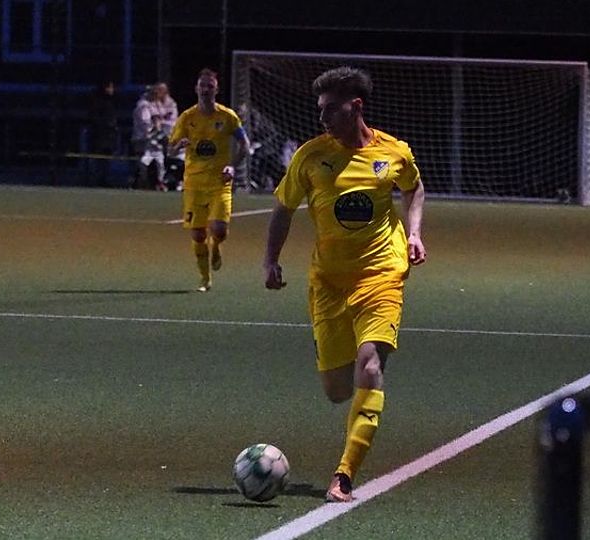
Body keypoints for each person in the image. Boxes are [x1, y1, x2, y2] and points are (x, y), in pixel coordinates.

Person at [263, 66, 427, 503]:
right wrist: (270, 259)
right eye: (320, 110)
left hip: (382, 274)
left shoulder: (394, 152)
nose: (322, 118)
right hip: (329, 283)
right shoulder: (310, 157)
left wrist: (413, 233)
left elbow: (414, 189)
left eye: (331, 109)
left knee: (370, 367)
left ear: (356, 107)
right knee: (337, 390)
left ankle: (344, 475)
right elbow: (283, 209)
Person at [168, 68, 250, 291]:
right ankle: (205, 279)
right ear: (196, 88)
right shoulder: (187, 118)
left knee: (219, 230)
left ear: (217, 90)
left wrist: (232, 166)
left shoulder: (227, 117)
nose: (205, 90)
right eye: (202, 86)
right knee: (198, 234)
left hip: (219, 183)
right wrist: (178, 145)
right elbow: (170, 149)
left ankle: (217, 247)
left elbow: (245, 144)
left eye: (210, 86)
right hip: (194, 184)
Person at [88, 80, 119, 187]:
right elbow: (94, 117)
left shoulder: (111, 101)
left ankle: (104, 178)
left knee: (107, 158)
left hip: (109, 134)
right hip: (100, 135)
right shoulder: (98, 102)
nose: (112, 90)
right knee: (99, 158)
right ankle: (97, 178)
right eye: (110, 87)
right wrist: (106, 124)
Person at [139, 114, 169, 191]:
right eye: (154, 121)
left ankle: (160, 182)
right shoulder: (150, 131)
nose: (155, 123)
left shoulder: (163, 133)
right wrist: (149, 137)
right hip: (149, 152)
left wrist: (157, 145)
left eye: (157, 121)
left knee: (160, 165)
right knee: (143, 163)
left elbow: (165, 145)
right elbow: (145, 139)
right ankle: (144, 180)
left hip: (158, 153)